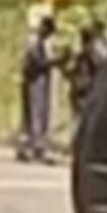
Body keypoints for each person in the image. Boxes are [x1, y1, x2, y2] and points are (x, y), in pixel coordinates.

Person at [16, 12, 67, 164]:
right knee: (35, 114)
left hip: (40, 80)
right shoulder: (34, 43)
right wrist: (56, 61)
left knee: (41, 113)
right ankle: (30, 147)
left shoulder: (43, 43)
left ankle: (35, 146)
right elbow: (38, 63)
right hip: (34, 81)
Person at [68, 20, 107, 122]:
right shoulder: (90, 50)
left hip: (83, 84)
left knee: (81, 111)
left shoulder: (85, 51)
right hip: (87, 84)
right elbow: (99, 64)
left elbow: (72, 68)